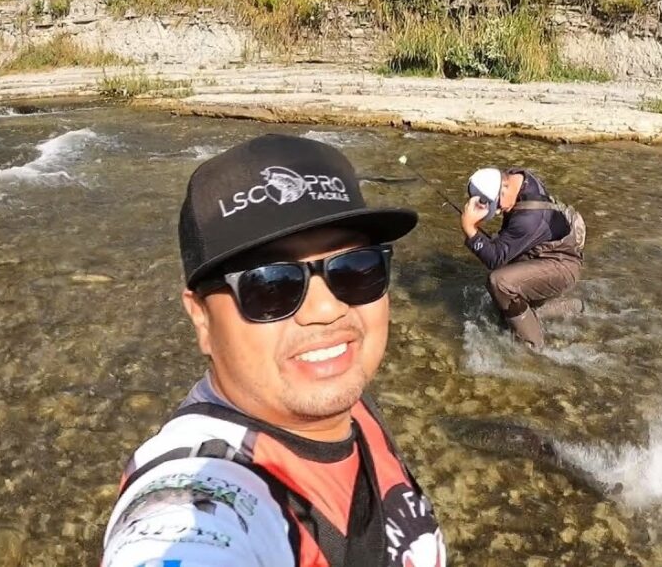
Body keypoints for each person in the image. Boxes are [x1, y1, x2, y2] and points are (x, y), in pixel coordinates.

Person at [102, 134, 445, 567]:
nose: (326, 309)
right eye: (270, 285)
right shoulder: (202, 489)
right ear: (202, 318)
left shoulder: (347, 401)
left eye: (356, 269)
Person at [461, 167, 585, 349]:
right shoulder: (518, 177)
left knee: (499, 282)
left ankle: (533, 348)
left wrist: (470, 229)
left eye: (498, 206)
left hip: (561, 265)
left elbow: (495, 259)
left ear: (503, 187)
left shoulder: (528, 219)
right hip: (542, 253)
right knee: (504, 310)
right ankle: (570, 307)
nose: (499, 211)